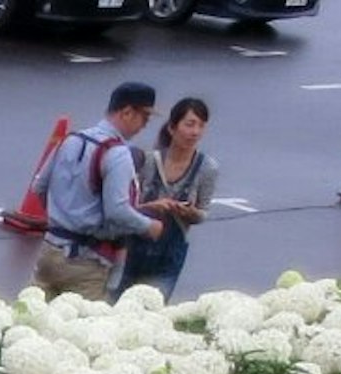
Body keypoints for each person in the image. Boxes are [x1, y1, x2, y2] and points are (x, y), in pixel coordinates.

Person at [30, 79, 158, 302]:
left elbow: (39, 187)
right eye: (144, 117)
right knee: (84, 329)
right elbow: (117, 211)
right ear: (127, 112)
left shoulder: (71, 139)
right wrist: (149, 226)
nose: (145, 125)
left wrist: (61, 216)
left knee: (35, 321)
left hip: (49, 252)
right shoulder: (117, 153)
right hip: (86, 262)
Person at [112, 98, 217, 302]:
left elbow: (203, 212)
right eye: (189, 124)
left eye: (201, 126)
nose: (195, 132)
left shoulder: (207, 168)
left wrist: (190, 213)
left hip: (170, 254)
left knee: (154, 308)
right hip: (134, 248)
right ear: (172, 127)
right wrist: (151, 207)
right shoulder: (149, 161)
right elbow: (124, 207)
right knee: (118, 306)